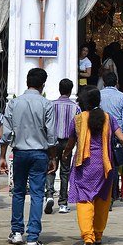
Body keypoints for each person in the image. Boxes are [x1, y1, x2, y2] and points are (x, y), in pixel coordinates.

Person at [61, 86, 123, 245]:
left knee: (84, 199)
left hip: (84, 166)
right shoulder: (108, 118)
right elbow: (121, 137)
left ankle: (88, 236)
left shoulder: (78, 119)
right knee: (102, 199)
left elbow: (71, 142)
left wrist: (65, 153)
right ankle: (98, 234)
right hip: (105, 165)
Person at [0, 67, 57, 245]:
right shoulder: (46, 104)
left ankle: (17, 232)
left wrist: (2, 156)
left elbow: (6, 133)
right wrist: (53, 157)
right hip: (39, 153)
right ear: (43, 85)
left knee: (18, 192)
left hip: (20, 152)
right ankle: (33, 237)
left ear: (27, 82)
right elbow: (51, 135)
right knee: (37, 194)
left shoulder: (14, 103)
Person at [47, 78, 80, 215]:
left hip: (52, 142)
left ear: (59, 89)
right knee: (65, 172)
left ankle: (49, 195)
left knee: (50, 168)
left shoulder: (51, 105)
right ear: (70, 91)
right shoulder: (75, 107)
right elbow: (78, 128)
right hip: (68, 142)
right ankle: (62, 203)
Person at [99, 71, 123, 204]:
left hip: (100, 133)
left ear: (104, 82)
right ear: (116, 83)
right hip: (117, 134)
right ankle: (112, 196)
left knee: (102, 164)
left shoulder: (98, 95)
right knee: (114, 165)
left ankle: (103, 194)